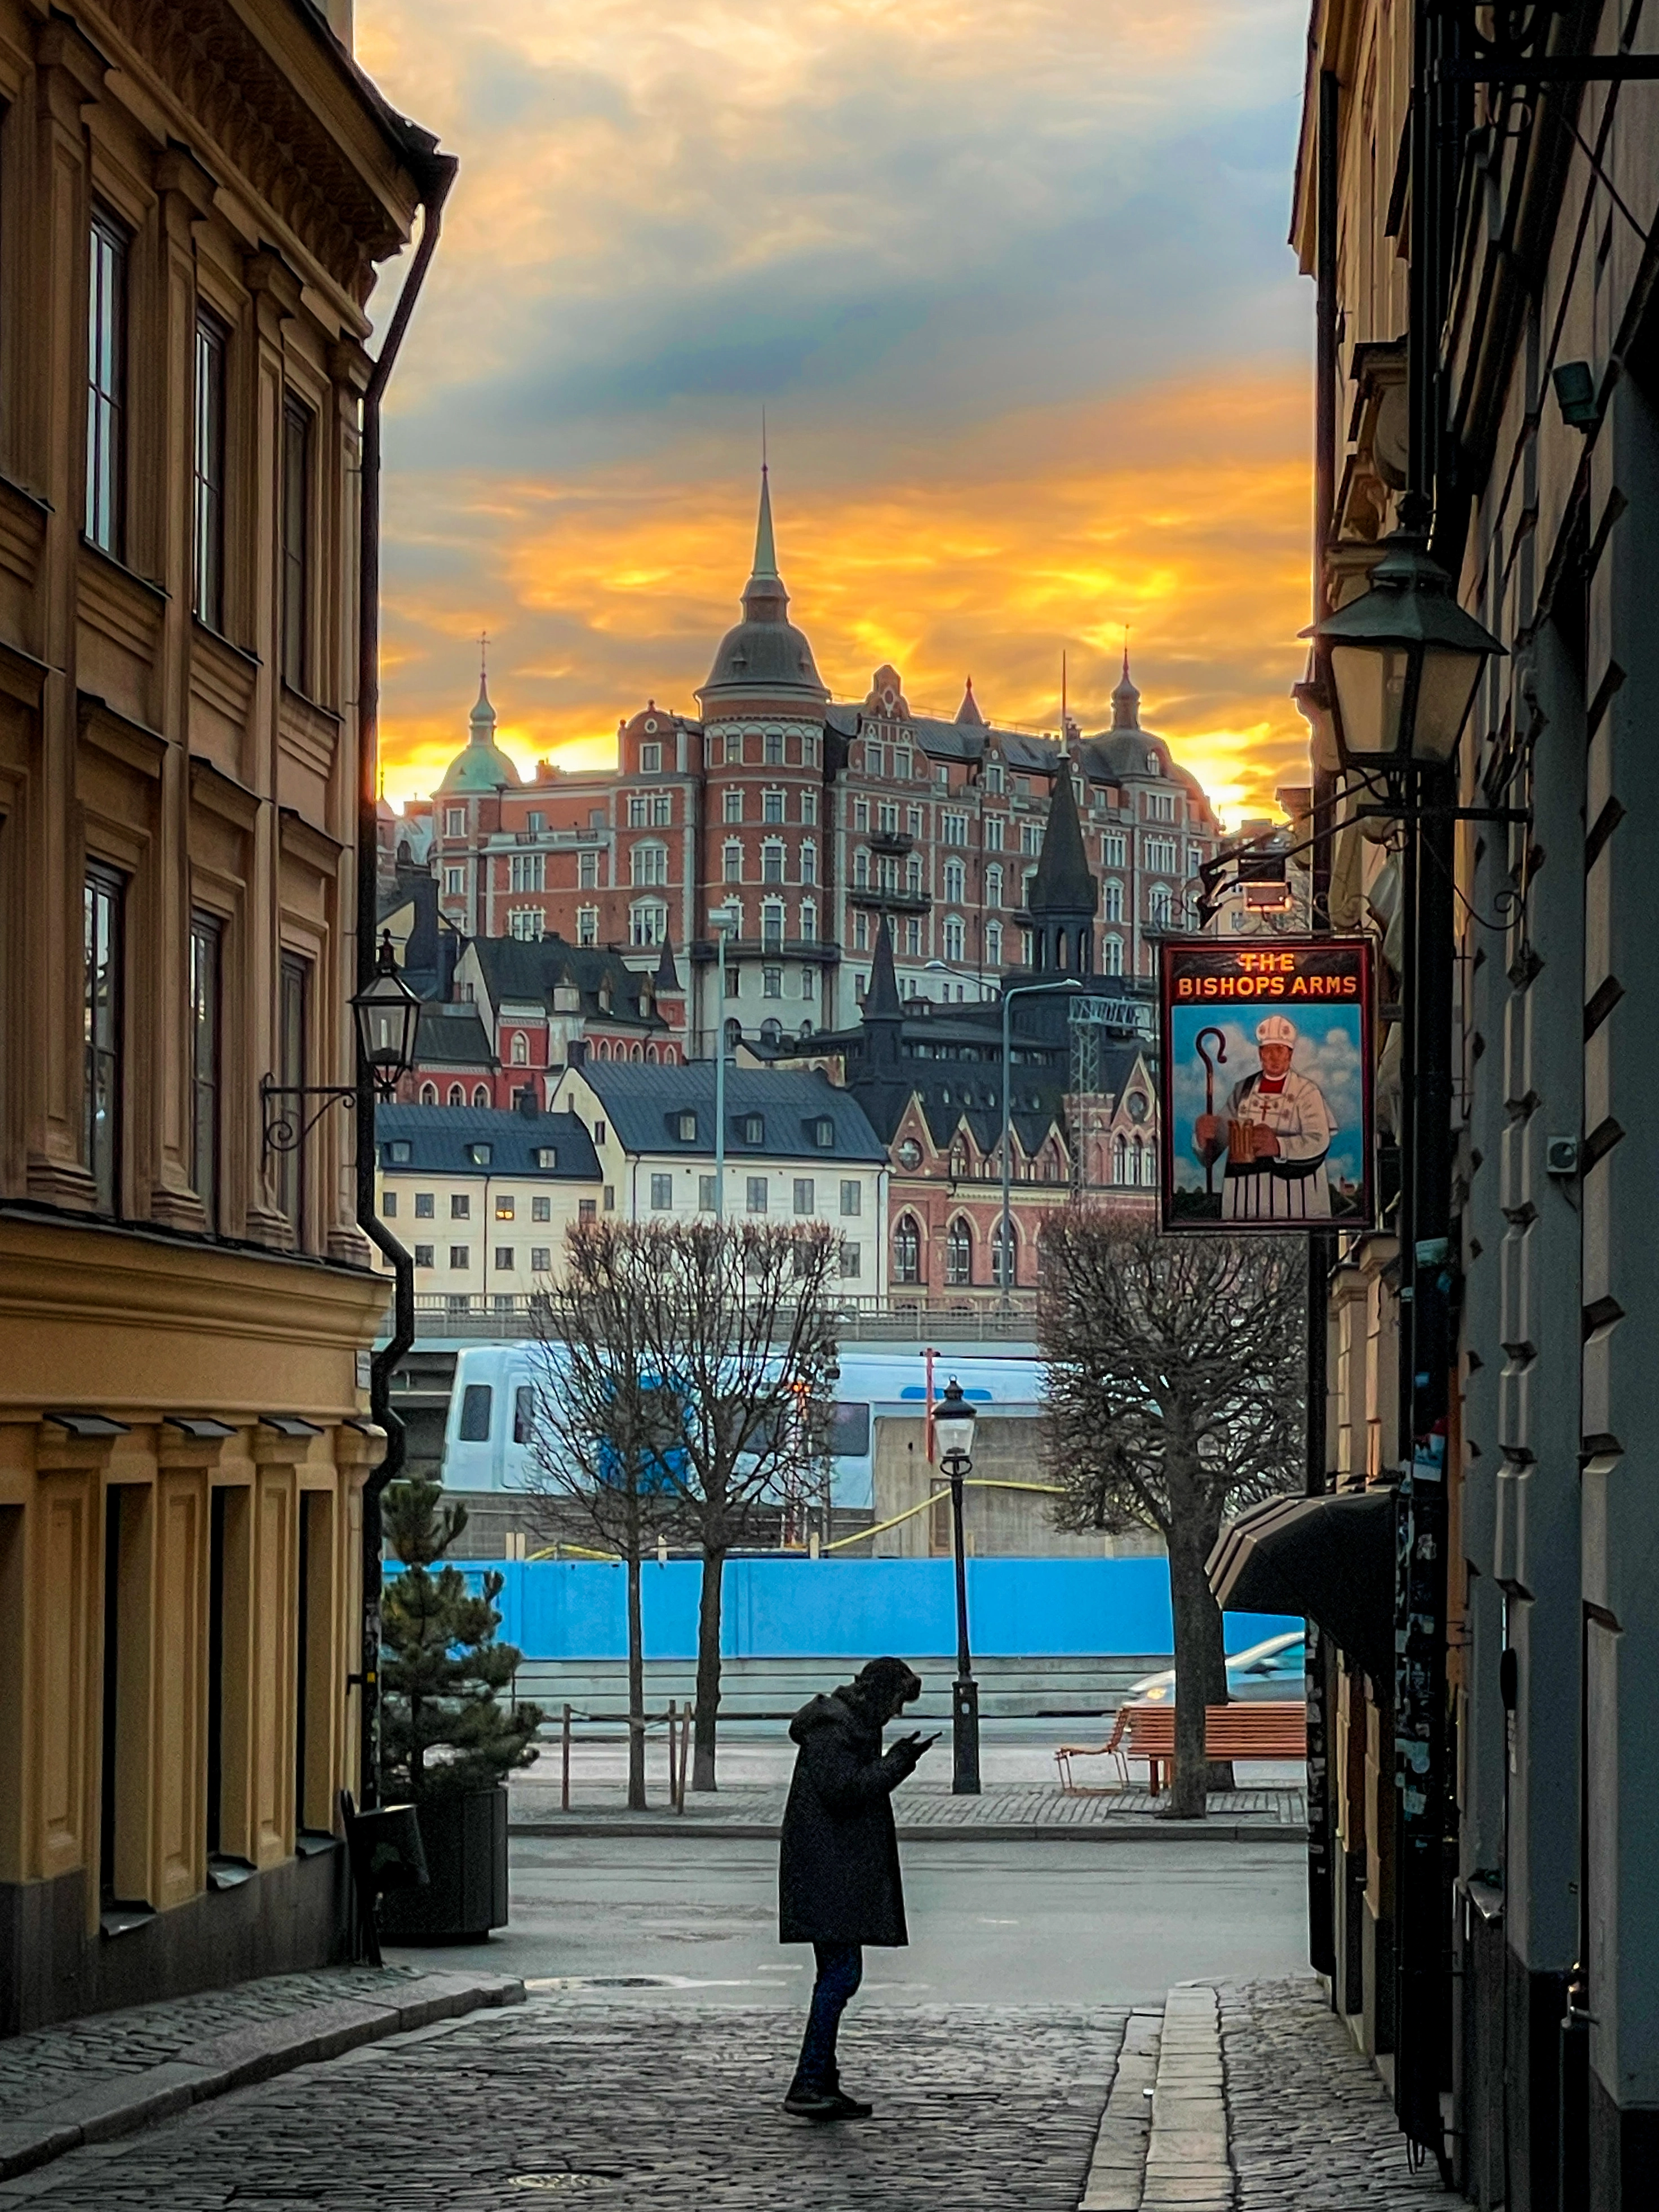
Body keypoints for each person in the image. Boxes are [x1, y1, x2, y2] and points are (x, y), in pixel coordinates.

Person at [777, 1655, 935, 2120]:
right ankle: (810, 2083)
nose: (895, 1714)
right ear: (878, 1695)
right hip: (827, 1871)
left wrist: (895, 1761)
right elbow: (843, 1791)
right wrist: (898, 1764)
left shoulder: (849, 1725)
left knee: (840, 1975)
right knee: (840, 1976)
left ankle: (820, 2080)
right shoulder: (834, 1729)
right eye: (895, 1703)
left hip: (833, 1869)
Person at [1192, 1012, 1337, 1221]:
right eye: (1268, 1050)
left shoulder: (1306, 1091)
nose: (1274, 1057)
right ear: (1260, 1054)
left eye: (1280, 1050)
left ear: (1290, 1054)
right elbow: (1216, 1146)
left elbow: (1319, 1140)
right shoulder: (1243, 1090)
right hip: (1244, 1199)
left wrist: (1279, 1146)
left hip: (1296, 1198)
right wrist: (1203, 1137)